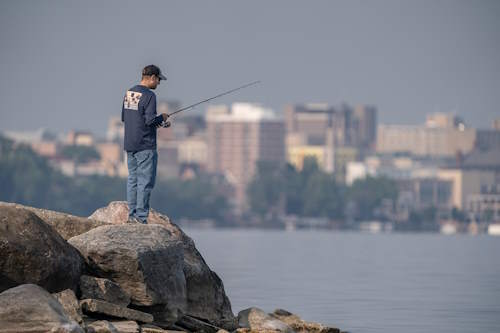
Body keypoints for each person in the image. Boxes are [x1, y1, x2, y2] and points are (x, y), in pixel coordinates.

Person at [122, 64, 168, 224]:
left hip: (130, 144)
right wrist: (161, 118)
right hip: (145, 145)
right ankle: (141, 218)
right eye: (158, 80)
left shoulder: (130, 93)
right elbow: (149, 120)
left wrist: (156, 122)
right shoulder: (149, 96)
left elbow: (126, 117)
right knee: (145, 182)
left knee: (132, 180)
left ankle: (131, 216)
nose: (159, 84)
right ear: (152, 77)